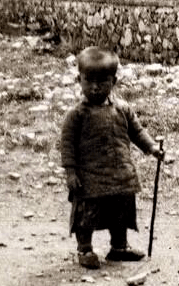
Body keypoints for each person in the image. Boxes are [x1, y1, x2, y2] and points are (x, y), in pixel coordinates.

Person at [60, 47, 164, 268]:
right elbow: (67, 146)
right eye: (89, 81)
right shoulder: (76, 115)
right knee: (86, 214)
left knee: (121, 210)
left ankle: (119, 247)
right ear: (79, 80)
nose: (95, 87)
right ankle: (85, 249)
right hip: (90, 177)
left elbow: (137, 132)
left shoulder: (122, 108)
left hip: (120, 173)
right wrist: (70, 172)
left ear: (114, 81)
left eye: (102, 81)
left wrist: (152, 148)